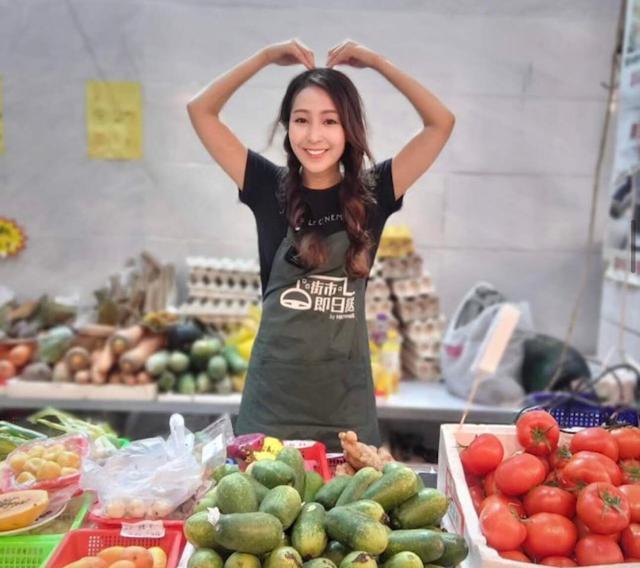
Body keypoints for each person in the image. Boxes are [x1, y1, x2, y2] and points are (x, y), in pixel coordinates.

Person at [187, 38, 454, 452]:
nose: (314, 135)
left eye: (330, 121)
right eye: (301, 120)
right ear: (287, 126)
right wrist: (263, 58)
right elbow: (200, 110)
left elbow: (440, 123)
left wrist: (378, 62)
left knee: (346, 494)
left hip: (345, 407)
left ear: (349, 129)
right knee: (261, 496)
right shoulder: (266, 186)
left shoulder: (374, 192)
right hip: (271, 402)